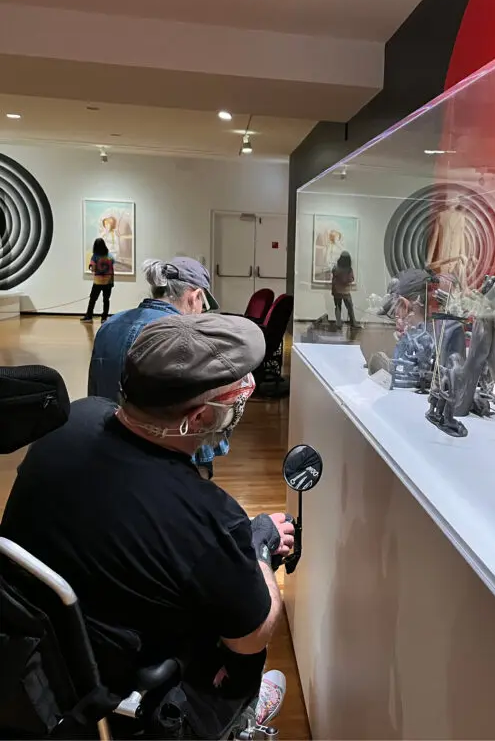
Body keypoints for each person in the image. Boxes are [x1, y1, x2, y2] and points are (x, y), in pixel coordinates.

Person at [1, 314, 293, 738]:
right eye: (233, 397)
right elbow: (252, 636)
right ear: (196, 418)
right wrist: (259, 547)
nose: (239, 405)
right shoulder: (209, 516)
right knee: (245, 653)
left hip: (38, 657)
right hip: (121, 679)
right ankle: (236, 713)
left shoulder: (70, 421)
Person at [88, 257, 224, 477]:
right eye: (204, 305)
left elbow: (94, 397)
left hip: (105, 457)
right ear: (195, 296)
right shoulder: (186, 337)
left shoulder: (109, 325)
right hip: (160, 469)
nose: (201, 312)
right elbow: (198, 417)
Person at [82, 238, 115, 323]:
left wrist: (92, 267)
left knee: (92, 299)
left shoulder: (95, 256)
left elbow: (93, 269)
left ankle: (89, 316)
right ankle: (104, 318)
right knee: (106, 300)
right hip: (108, 282)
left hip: (98, 282)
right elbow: (113, 266)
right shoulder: (110, 256)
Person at [331, 251, 358, 329]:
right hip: (346, 291)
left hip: (336, 291)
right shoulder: (349, 269)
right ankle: (353, 323)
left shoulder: (335, 268)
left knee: (338, 306)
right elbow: (351, 279)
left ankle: (338, 323)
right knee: (350, 307)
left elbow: (334, 277)